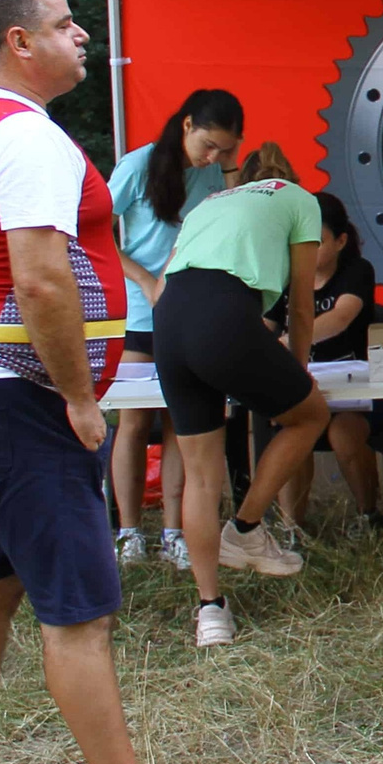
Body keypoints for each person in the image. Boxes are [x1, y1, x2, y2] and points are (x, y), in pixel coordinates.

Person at [0, 0, 237, 764]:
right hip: (18, 400)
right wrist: (78, 396)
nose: (82, 35)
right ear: (19, 42)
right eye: (65, 24)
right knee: (78, 610)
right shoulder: (23, 137)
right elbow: (41, 275)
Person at [152, 164, 330, 646]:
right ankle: (247, 528)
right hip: (224, 312)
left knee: (201, 475)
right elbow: (300, 304)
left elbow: (168, 274)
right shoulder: (300, 200)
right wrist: (298, 371)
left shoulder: (209, 204)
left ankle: (210, 611)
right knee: (311, 414)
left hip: (168, 319)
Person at [104, 89, 243, 569]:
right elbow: (92, 227)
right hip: (141, 314)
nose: (213, 156)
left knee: (179, 422)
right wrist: (144, 280)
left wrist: (229, 167)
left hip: (189, 314)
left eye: (224, 149)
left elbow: (225, 224)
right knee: (134, 420)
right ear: (186, 125)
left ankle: (173, 530)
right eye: (209, 144)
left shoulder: (213, 171)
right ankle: (127, 532)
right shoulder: (138, 166)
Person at [285, 192, 383, 527]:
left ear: (341, 241)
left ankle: (368, 516)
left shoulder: (357, 271)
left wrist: (287, 341)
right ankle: (292, 529)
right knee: (291, 435)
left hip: (357, 392)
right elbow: (263, 324)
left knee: (343, 433)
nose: (306, 249)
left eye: (317, 241)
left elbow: (341, 317)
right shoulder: (284, 276)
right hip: (303, 389)